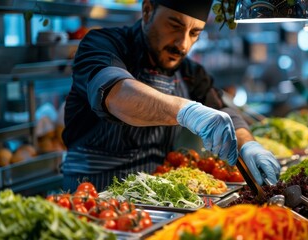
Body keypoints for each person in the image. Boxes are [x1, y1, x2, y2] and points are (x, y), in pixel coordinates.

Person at [62, 0, 281, 192]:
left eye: (194, 33)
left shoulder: (190, 72)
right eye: (174, 26)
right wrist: (187, 112)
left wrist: (248, 145)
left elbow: (224, 112)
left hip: (156, 194)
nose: (183, 44)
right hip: (90, 195)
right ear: (147, 11)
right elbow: (117, 95)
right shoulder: (102, 45)